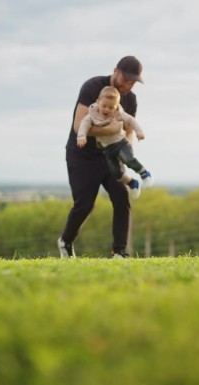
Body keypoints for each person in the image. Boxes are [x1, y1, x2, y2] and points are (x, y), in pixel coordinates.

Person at [58, 56, 146, 259]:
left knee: (121, 196)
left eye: (133, 82)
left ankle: (119, 252)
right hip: (82, 155)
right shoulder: (92, 86)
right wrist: (112, 130)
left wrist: (126, 154)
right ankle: (66, 241)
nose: (127, 85)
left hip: (109, 155)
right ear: (116, 71)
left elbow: (129, 131)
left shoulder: (130, 99)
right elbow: (79, 125)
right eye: (125, 79)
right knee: (85, 204)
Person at [76, 86, 153, 200]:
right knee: (116, 173)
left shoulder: (118, 113)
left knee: (128, 160)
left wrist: (139, 131)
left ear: (116, 107)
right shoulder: (92, 115)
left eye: (111, 107)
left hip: (121, 143)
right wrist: (81, 137)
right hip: (107, 148)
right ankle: (132, 183)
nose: (107, 110)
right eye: (104, 106)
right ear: (98, 102)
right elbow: (84, 125)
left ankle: (144, 173)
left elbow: (131, 120)